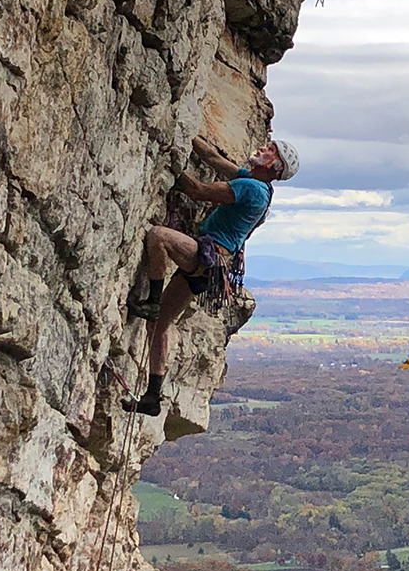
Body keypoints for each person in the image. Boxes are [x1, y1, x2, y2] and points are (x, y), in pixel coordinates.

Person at [124, 135, 299, 416]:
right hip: (212, 267)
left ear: (274, 167)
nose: (262, 149)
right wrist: (188, 135)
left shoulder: (250, 188)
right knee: (158, 326)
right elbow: (215, 160)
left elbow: (198, 190)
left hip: (207, 255)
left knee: (158, 236)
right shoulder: (258, 186)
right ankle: (152, 396)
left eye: (269, 151)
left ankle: (152, 299)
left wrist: (166, 160)